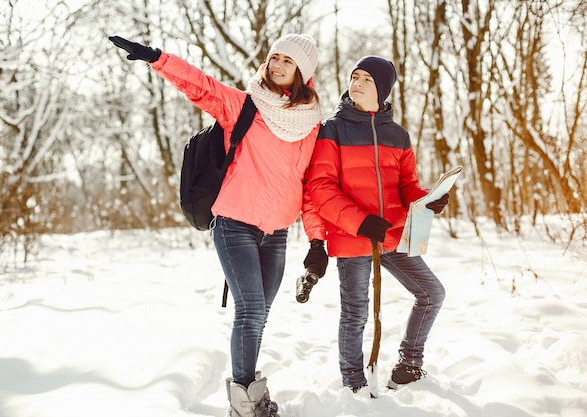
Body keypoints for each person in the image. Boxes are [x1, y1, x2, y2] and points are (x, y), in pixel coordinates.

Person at [109, 34, 326, 416]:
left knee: (260, 314)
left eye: (286, 61)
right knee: (250, 310)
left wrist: (315, 240)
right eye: (273, 57)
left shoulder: (310, 127)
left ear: (301, 74)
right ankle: (245, 403)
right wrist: (157, 59)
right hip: (235, 223)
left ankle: (250, 392)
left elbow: (308, 189)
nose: (276, 65)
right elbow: (200, 84)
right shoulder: (244, 104)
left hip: (276, 233)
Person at [302, 55, 449, 392]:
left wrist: (429, 198)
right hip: (354, 237)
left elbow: (408, 186)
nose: (357, 83)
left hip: (393, 236)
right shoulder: (333, 130)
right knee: (355, 315)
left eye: (367, 79)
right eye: (354, 76)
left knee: (431, 293)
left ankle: (409, 365)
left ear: (382, 88)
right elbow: (320, 188)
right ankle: (354, 384)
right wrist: (360, 221)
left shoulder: (398, 135)